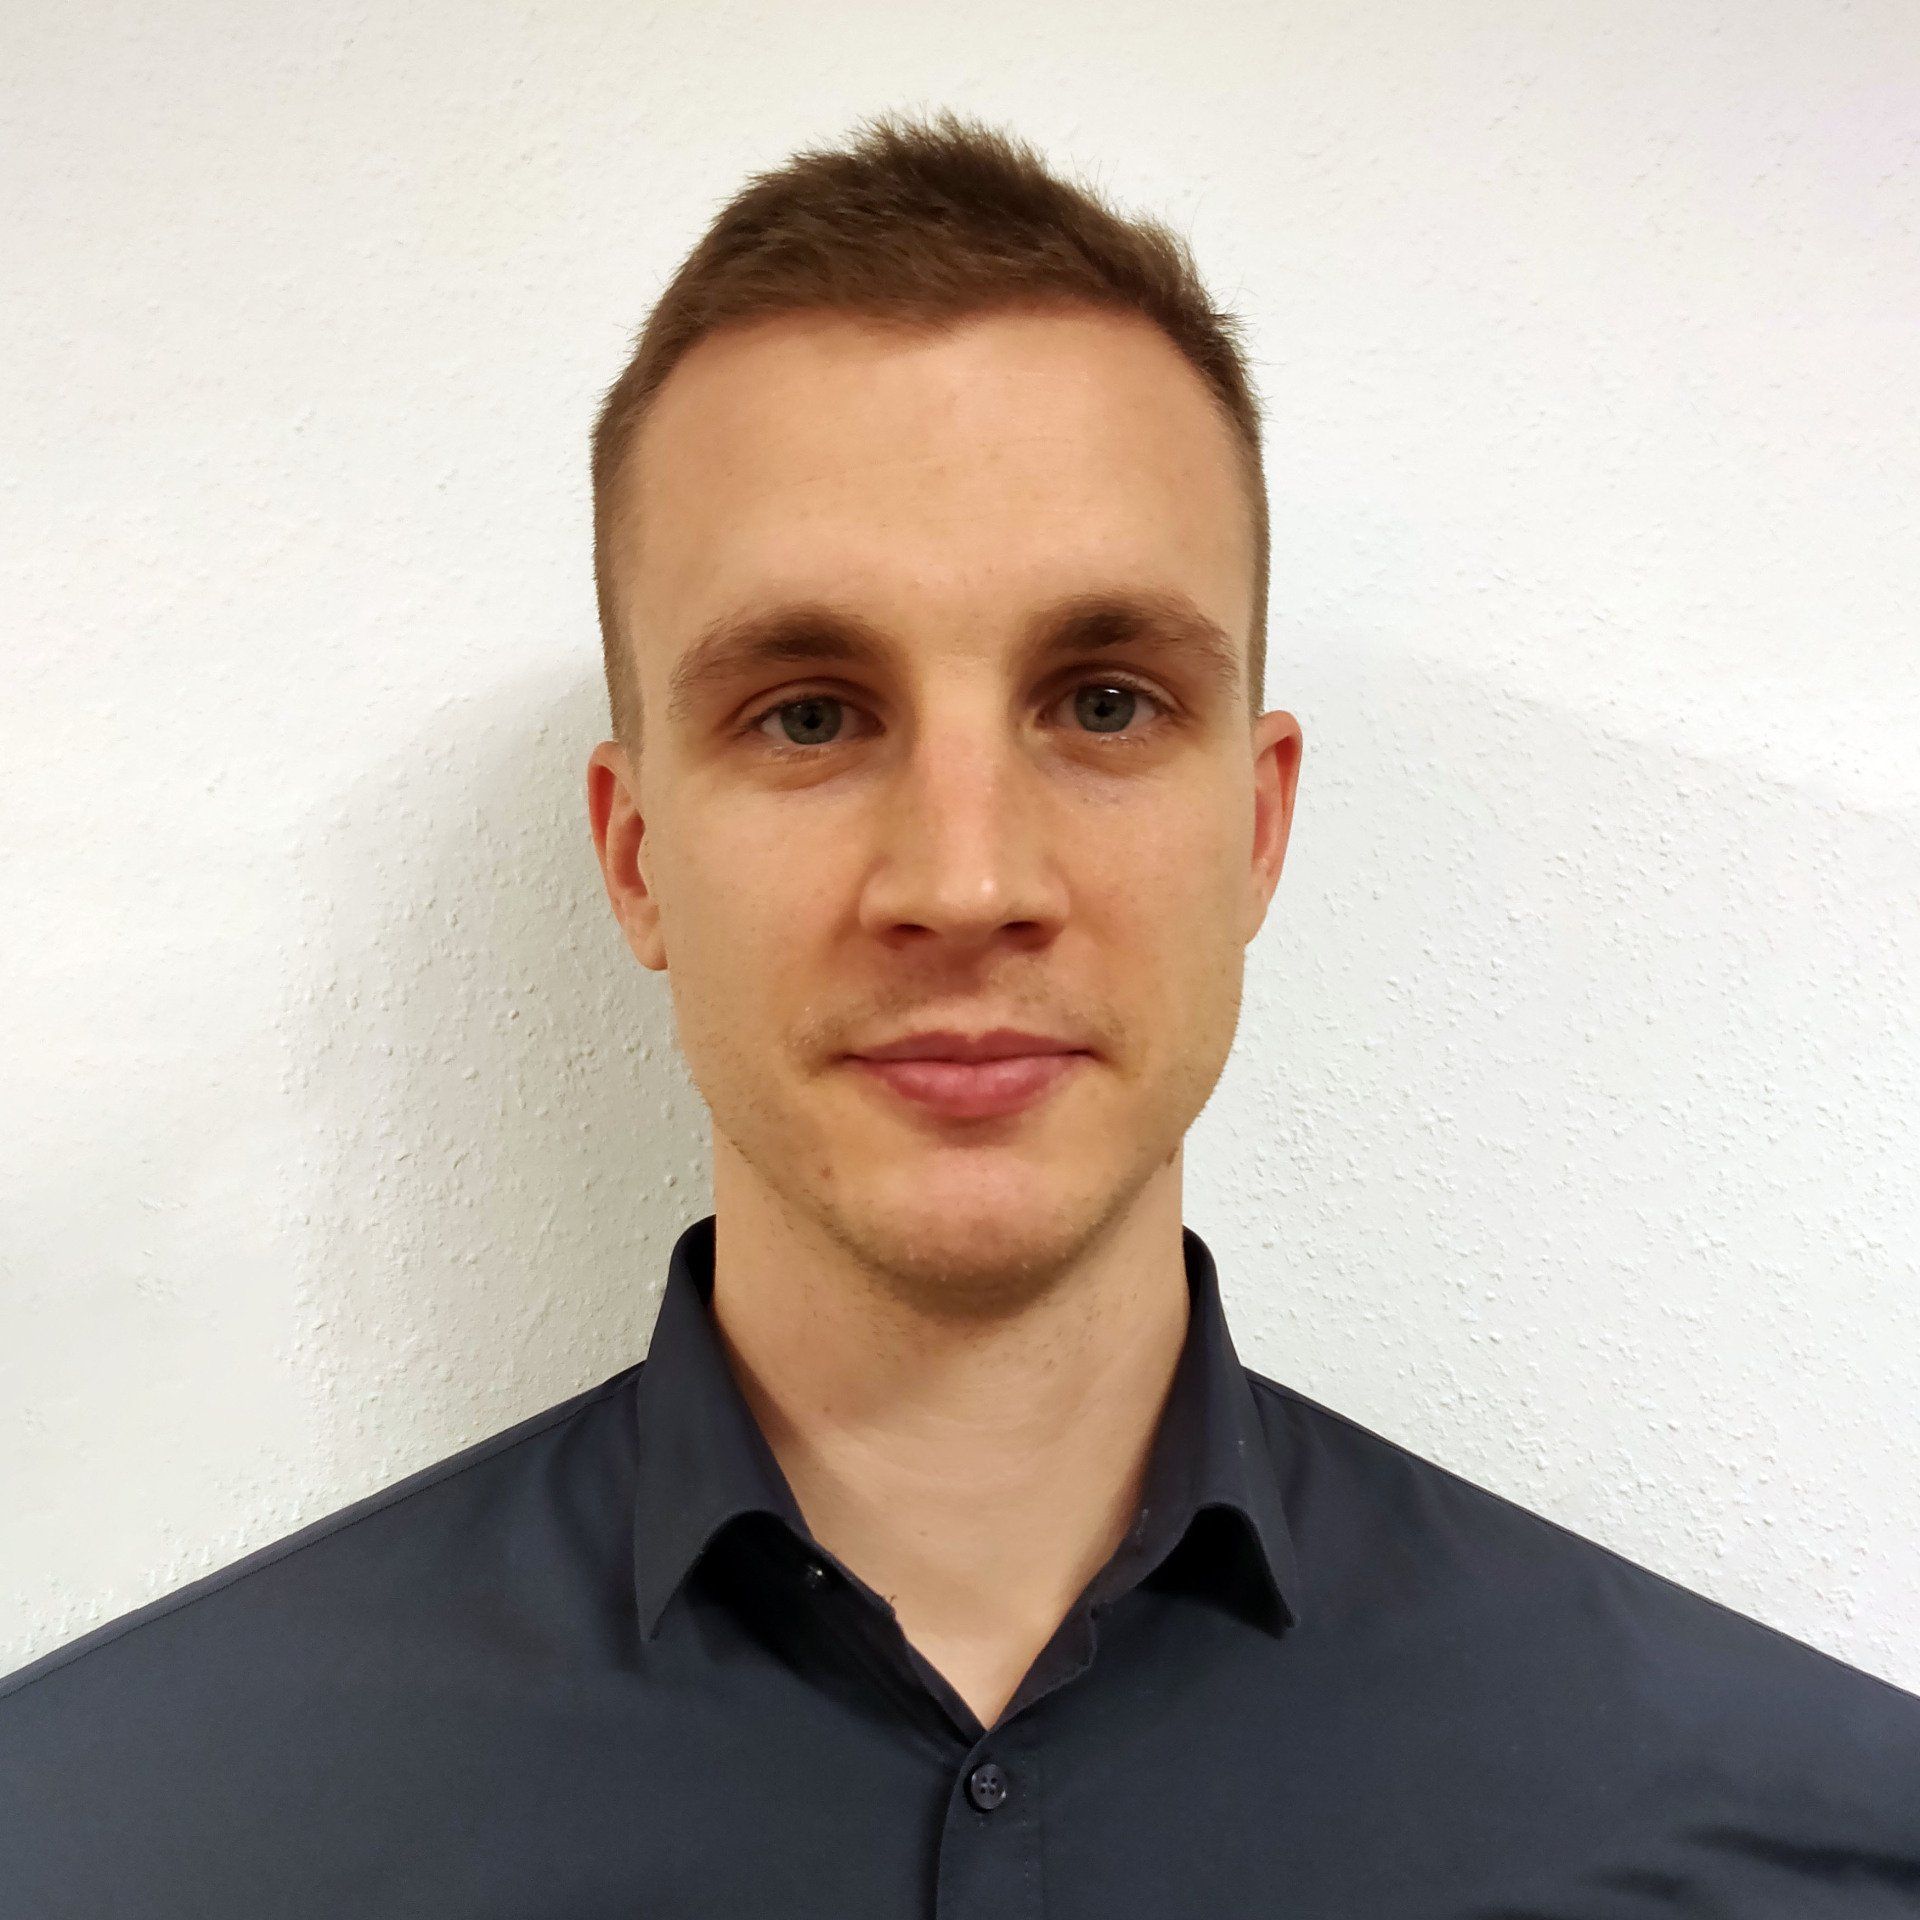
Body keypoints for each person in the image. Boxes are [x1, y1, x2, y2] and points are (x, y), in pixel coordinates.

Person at [3, 107, 1916, 1919]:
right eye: (809, 714)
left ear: (1256, 831)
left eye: (1104, 701)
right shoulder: (100, 1839)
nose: (968, 878)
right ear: (638, 856)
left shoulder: (1810, 1849)